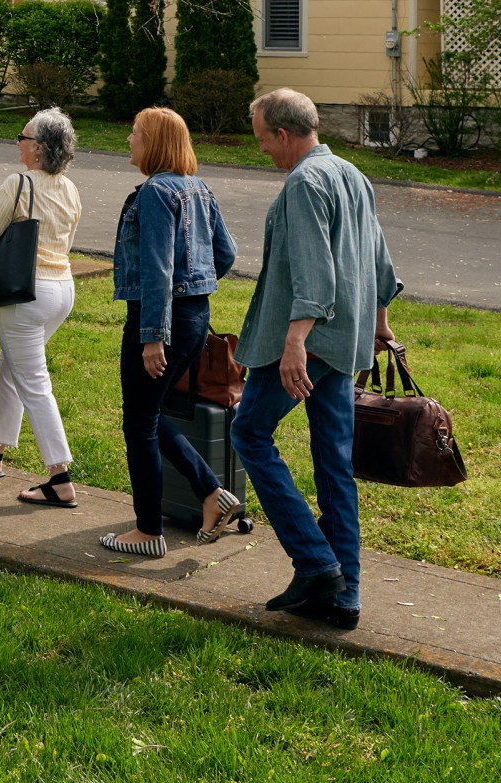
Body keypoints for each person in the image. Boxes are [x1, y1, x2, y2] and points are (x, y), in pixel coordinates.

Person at [229, 88, 402, 631]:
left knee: (250, 432)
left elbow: (313, 272)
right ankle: (344, 597)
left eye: (263, 141)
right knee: (335, 461)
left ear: (284, 134)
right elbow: (378, 258)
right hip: (347, 340)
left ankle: (316, 563)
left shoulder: (304, 183)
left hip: (313, 342)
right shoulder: (352, 174)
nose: (263, 152)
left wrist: (294, 341)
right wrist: (380, 324)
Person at [99, 107, 245, 558]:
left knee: (139, 422)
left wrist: (152, 336)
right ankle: (211, 496)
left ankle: (148, 531)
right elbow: (227, 253)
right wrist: (196, 286)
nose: (129, 139)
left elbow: (159, 268)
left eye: (136, 133)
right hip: (194, 318)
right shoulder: (198, 188)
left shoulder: (156, 193)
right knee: (152, 411)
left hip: (159, 318)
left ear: (156, 142)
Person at [0, 108, 86, 508]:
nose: (18, 143)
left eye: (23, 137)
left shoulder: (19, 183)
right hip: (62, 290)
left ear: (39, 149)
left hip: (24, 296)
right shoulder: (70, 189)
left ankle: (60, 478)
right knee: (14, 369)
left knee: (34, 382)